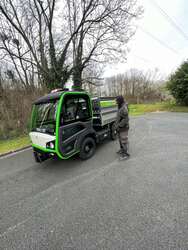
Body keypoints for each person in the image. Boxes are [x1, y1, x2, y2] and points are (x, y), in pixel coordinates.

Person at [115, 95, 130, 160]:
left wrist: (119, 125)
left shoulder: (124, 108)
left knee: (124, 140)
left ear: (120, 100)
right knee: (120, 140)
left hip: (123, 127)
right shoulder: (120, 106)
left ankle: (125, 154)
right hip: (120, 128)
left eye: (117, 101)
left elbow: (126, 119)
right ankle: (122, 150)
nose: (116, 102)